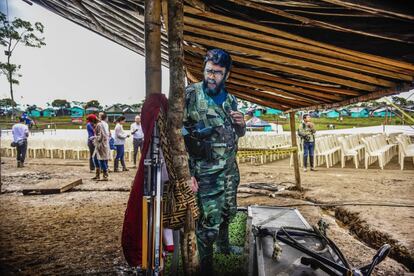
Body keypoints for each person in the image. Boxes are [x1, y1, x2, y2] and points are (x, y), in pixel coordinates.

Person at [182, 48, 246, 271]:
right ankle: (206, 268)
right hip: (205, 172)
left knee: (229, 211)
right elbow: (177, 133)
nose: (211, 76)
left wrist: (241, 125)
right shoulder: (190, 94)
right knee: (209, 224)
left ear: (226, 74)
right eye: (209, 71)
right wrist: (187, 174)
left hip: (230, 169)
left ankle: (224, 247)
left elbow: (238, 133)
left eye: (217, 73)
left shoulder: (231, 100)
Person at [93, 116, 110, 181]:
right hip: (100, 144)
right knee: (95, 158)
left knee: (102, 160)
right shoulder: (100, 124)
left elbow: (102, 135)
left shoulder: (99, 125)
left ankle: (105, 176)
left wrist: (95, 138)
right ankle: (97, 175)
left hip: (101, 145)